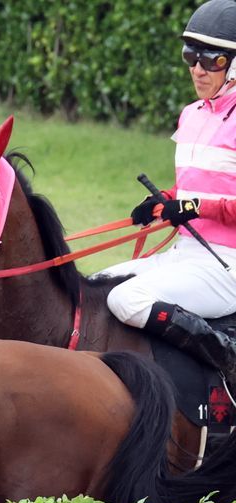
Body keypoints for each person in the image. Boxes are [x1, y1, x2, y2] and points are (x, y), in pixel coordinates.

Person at [98, 0, 236, 393]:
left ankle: (227, 356)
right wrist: (164, 201)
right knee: (96, 286)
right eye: (191, 56)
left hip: (227, 265)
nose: (197, 69)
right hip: (185, 254)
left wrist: (191, 207)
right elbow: (199, 186)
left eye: (211, 59)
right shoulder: (192, 114)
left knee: (127, 299)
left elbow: (202, 202)